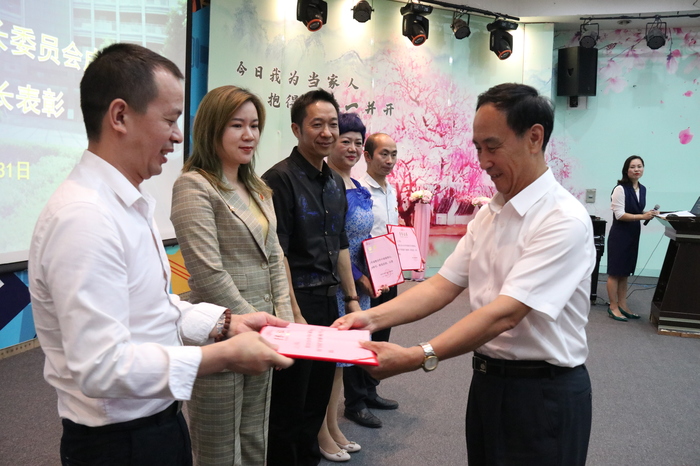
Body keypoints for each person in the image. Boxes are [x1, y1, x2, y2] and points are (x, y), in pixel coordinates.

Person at [28, 43, 293, 466]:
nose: (177, 135)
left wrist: (226, 322)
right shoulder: (85, 216)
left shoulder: (127, 203)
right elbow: (101, 366)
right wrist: (221, 355)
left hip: (157, 421)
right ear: (119, 116)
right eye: (169, 120)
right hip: (119, 442)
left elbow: (152, 306)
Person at [334, 83, 596, 465]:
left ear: (534, 137)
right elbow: (443, 285)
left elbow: (506, 313)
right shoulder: (490, 213)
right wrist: (370, 318)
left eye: (492, 146)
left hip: (543, 394)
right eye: (477, 148)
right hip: (488, 383)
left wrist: (417, 355)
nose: (483, 161)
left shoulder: (563, 219)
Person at [170, 86, 296, 465]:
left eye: (254, 125)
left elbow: (275, 257)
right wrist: (254, 325)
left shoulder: (258, 188)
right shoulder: (194, 185)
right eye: (237, 125)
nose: (249, 135)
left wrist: (282, 323)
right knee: (220, 449)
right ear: (212, 128)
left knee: (256, 436)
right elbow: (208, 273)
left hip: (263, 331)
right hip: (221, 331)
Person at [262, 89, 362, 466]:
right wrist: (293, 313)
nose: (327, 132)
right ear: (297, 129)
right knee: (289, 404)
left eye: (332, 124)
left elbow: (340, 244)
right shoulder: (279, 179)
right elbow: (279, 253)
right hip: (296, 303)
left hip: (329, 302)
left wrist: (351, 300)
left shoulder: (334, 181)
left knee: (317, 399)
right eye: (317, 124)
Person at [316, 113, 373, 462]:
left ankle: (333, 425)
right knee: (329, 362)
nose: (352, 148)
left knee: (342, 363)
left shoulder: (356, 184)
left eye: (357, 142)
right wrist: (357, 279)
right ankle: (321, 432)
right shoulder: (327, 184)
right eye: (345, 140)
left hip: (359, 285)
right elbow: (332, 241)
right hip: (340, 285)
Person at [343, 133, 400, 429]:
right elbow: (350, 238)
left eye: (393, 154)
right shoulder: (358, 190)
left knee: (382, 333)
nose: (389, 160)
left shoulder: (391, 190)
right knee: (361, 336)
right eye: (383, 154)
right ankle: (355, 403)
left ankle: (370, 391)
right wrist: (358, 276)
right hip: (366, 274)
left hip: (390, 272)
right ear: (367, 156)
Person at [605, 155, 657, 321]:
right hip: (620, 235)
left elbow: (635, 210)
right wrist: (642, 217)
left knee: (625, 273)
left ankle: (623, 305)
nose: (636, 170)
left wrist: (648, 213)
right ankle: (613, 307)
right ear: (626, 170)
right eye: (633, 167)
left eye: (639, 166)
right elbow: (620, 215)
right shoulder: (620, 189)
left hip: (633, 234)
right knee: (615, 273)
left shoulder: (643, 189)